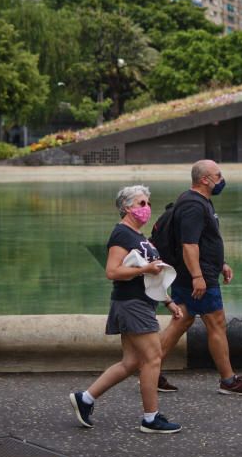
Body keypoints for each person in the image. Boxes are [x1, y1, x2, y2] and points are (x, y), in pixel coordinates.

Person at [69, 185, 184, 434]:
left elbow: (151, 276)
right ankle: (151, 419)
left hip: (140, 303)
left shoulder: (139, 237)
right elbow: (112, 272)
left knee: (131, 362)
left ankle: (85, 399)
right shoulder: (122, 234)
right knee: (153, 358)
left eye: (148, 203)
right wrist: (145, 269)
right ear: (127, 207)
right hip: (131, 304)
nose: (147, 208)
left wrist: (168, 301)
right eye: (141, 204)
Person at [156, 159, 242, 395]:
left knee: (182, 320)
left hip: (197, 272)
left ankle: (149, 371)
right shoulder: (193, 205)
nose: (221, 179)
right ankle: (228, 380)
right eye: (218, 175)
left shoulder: (198, 202)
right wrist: (198, 276)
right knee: (216, 323)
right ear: (204, 179)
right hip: (197, 276)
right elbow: (189, 244)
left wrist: (220, 263)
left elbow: (204, 240)